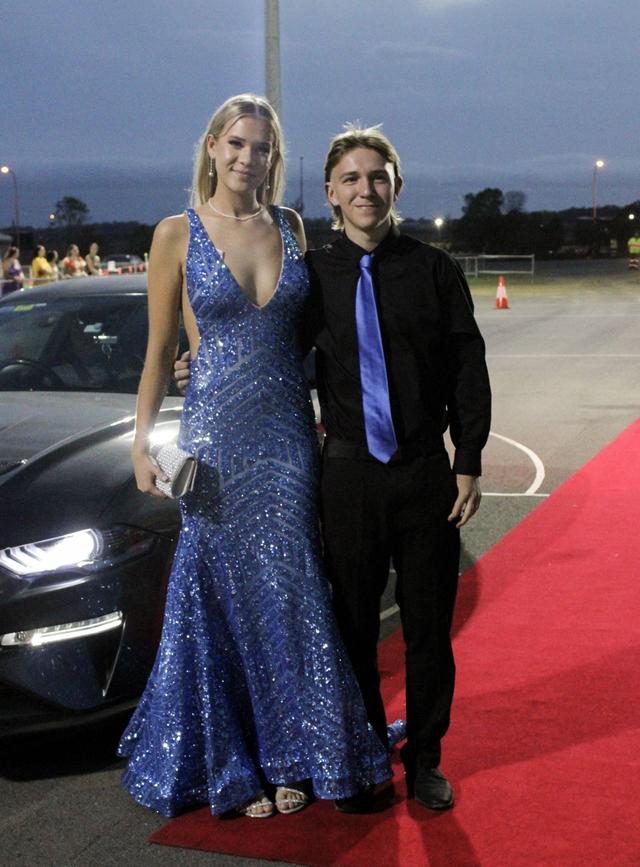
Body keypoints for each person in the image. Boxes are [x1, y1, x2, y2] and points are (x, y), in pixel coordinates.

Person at [174, 125, 492, 813]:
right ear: (330, 194)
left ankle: (428, 760)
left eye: (376, 177)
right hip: (346, 475)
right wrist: (201, 361)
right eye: (350, 179)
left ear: (395, 186)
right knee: (350, 625)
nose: (365, 189)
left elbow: (469, 365)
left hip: (422, 474)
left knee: (429, 630)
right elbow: (264, 340)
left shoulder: (435, 270)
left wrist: (467, 458)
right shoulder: (312, 274)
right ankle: (367, 754)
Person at [117, 95, 391, 821]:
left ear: (275, 157)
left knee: (292, 586)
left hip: (287, 438)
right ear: (212, 146)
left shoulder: (292, 226)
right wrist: (147, 444)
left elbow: (310, 335)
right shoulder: (175, 234)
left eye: (263, 148)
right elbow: (156, 352)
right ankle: (234, 759)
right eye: (237, 144)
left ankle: (297, 751)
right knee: (219, 595)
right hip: (212, 442)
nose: (249, 158)